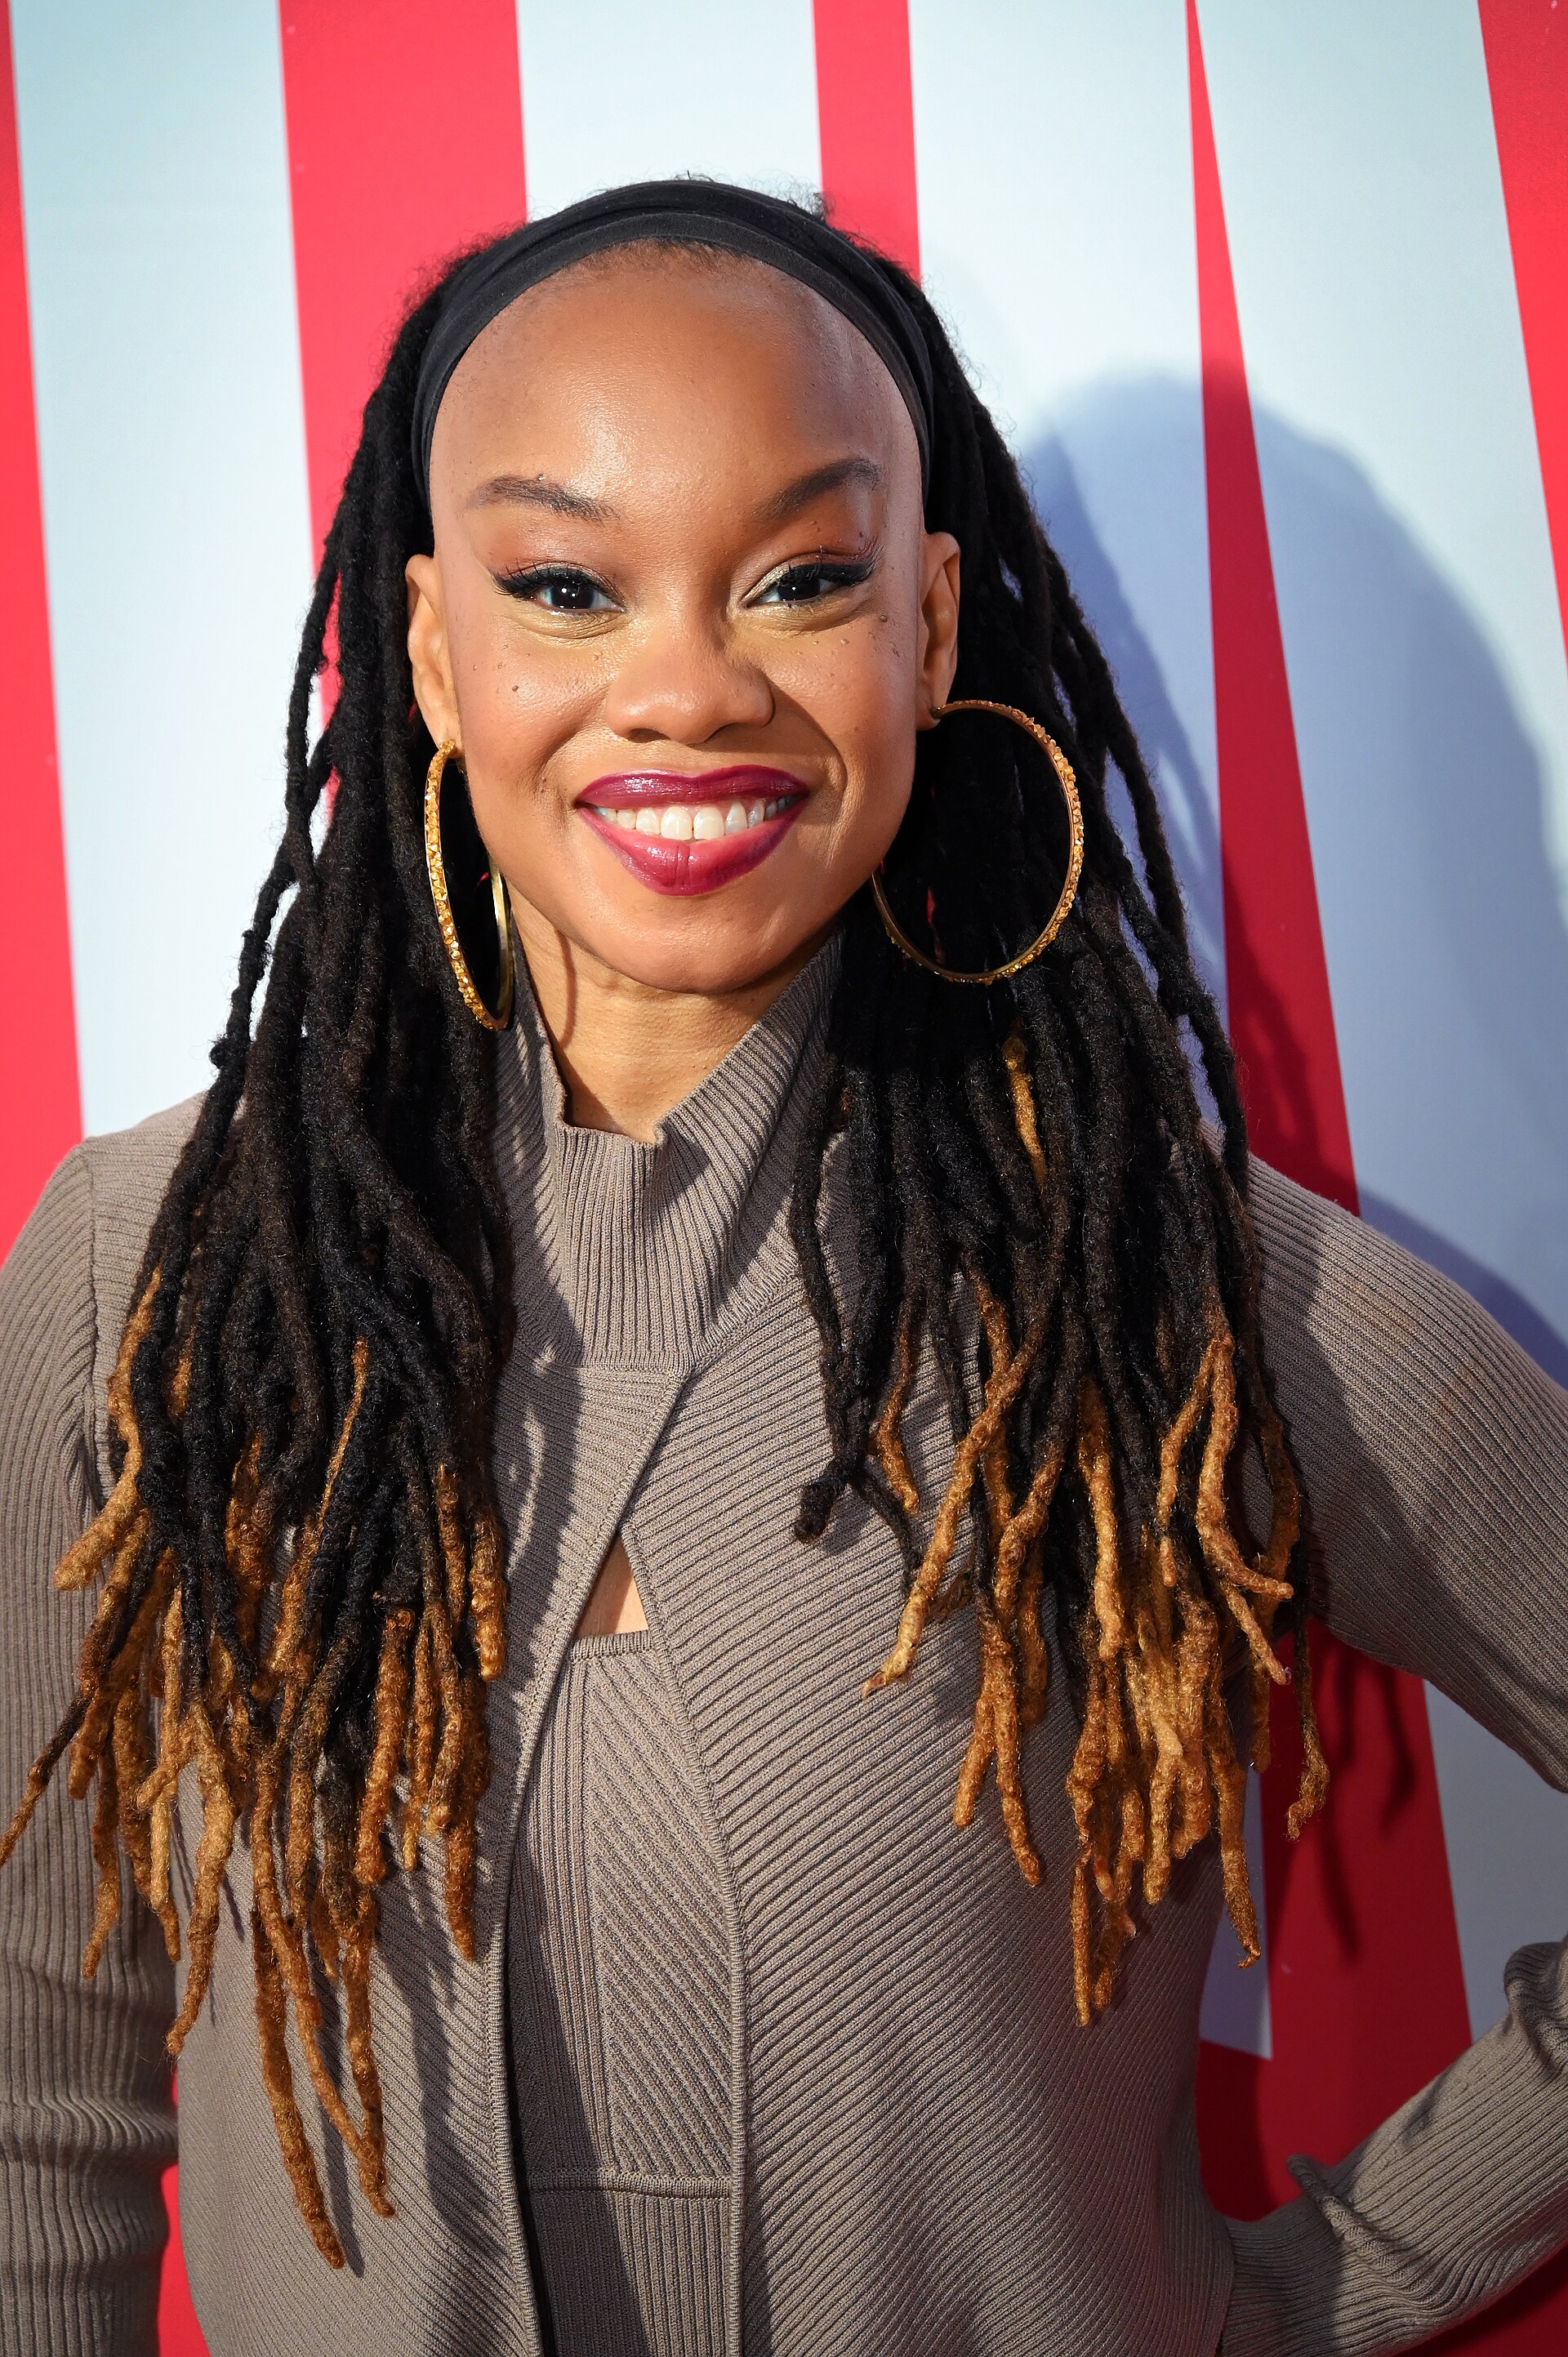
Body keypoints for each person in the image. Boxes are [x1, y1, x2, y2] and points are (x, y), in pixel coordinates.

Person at [1, 178, 1565, 2357]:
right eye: (569, 585)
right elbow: (30, 2100)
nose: (687, 688)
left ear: (929, 623)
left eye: (803, 576)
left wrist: (1294, 2305)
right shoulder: (148, 1275)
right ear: (430, 648)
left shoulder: (1177, 1300)